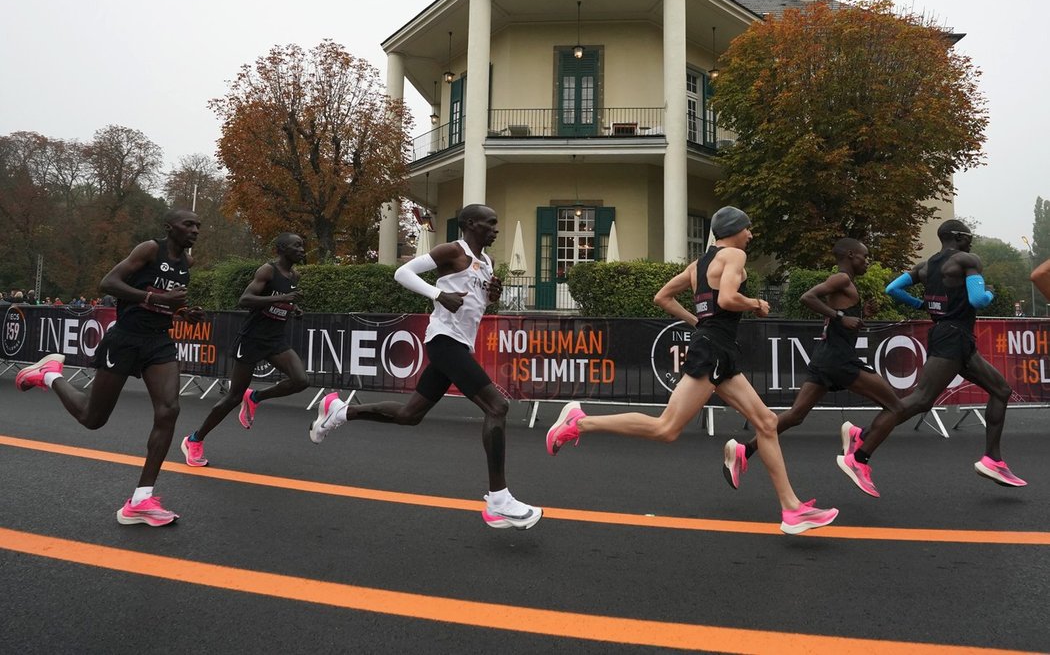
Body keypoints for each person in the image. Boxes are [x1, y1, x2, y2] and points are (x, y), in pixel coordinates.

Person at [546, 206, 839, 534]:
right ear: (734, 229)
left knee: (767, 422)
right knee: (666, 429)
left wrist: (699, 321)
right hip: (714, 350)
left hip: (718, 348)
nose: (751, 235)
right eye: (748, 228)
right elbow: (728, 299)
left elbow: (663, 297)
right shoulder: (734, 256)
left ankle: (792, 509)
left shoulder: (698, 264)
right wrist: (755, 303)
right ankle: (579, 423)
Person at [308, 204, 542, 530]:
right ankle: (499, 498)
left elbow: (475, 304)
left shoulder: (486, 262)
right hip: (444, 341)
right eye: (490, 223)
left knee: (410, 415)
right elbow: (401, 273)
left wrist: (493, 296)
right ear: (471, 224)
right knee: (497, 406)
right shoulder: (452, 250)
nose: (496, 229)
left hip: (460, 343)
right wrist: (438, 294)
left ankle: (339, 411)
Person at [15, 209, 206, 526]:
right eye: (189, 224)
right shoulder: (149, 249)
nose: (196, 230)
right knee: (93, 418)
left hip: (158, 341)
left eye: (199, 225)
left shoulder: (188, 263)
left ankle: (141, 501)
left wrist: (184, 313)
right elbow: (109, 283)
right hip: (125, 339)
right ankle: (49, 375)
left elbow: (165, 304)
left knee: (169, 410)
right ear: (169, 227)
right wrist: (155, 297)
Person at [842, 219, 1026, 488]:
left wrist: (921, 305)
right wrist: (989, 294)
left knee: (1000, 389)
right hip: (954, 336)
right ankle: (861, 449)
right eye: (969, 236)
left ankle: (993, 460)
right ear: (958, 237)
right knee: (921, 399)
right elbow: (977, 300)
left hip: (950, 335)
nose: (971, 241)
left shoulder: (926, 266)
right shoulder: (968, 260)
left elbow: (892, 289)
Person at [721, 238, 904, 498]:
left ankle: (744, 451)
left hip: (826, 357)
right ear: (851, 255)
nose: (867, 261)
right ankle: (858, 455)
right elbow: (807, 297)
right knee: (896, 407)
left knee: (795, 415)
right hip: (839, 360)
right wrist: (841, 317)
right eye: (865, 256)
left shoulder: (846, 284)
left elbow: (841, 320)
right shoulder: (841, 278)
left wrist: (859, 315)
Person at [180, 233, 309, 467]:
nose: (302, 249)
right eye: (296, 245)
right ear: (281, 249)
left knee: (301, 381)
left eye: (303, 245)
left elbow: (281, 301)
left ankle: (256, 396)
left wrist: (293, 308)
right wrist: (284, 297)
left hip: (275, 340)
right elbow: (245, 300)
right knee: (232, 397)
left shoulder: (295, 275)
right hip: (251, 339)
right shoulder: (267, 271)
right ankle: (194, 440)